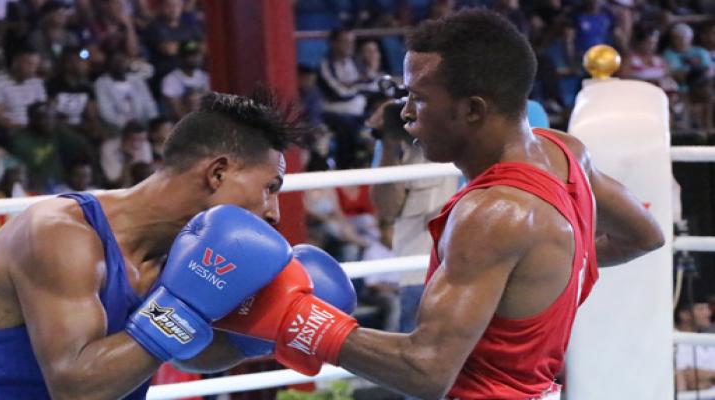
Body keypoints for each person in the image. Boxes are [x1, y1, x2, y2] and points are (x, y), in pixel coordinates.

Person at [217, 11, 665, 398]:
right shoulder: (566, 153)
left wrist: (295, 319)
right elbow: (643, 234)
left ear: (473, 110)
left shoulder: (491, 214)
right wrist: (547, 272)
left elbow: (425, 369)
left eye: (419, 97)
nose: (406, 112)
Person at [0, 91, 315, 399]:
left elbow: (187, 353)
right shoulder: (59, 234)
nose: (274, 214)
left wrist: (260, 335)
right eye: (270, 188)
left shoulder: (184, 251)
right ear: (217, 173)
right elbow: (76, 389)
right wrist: (182, 310)